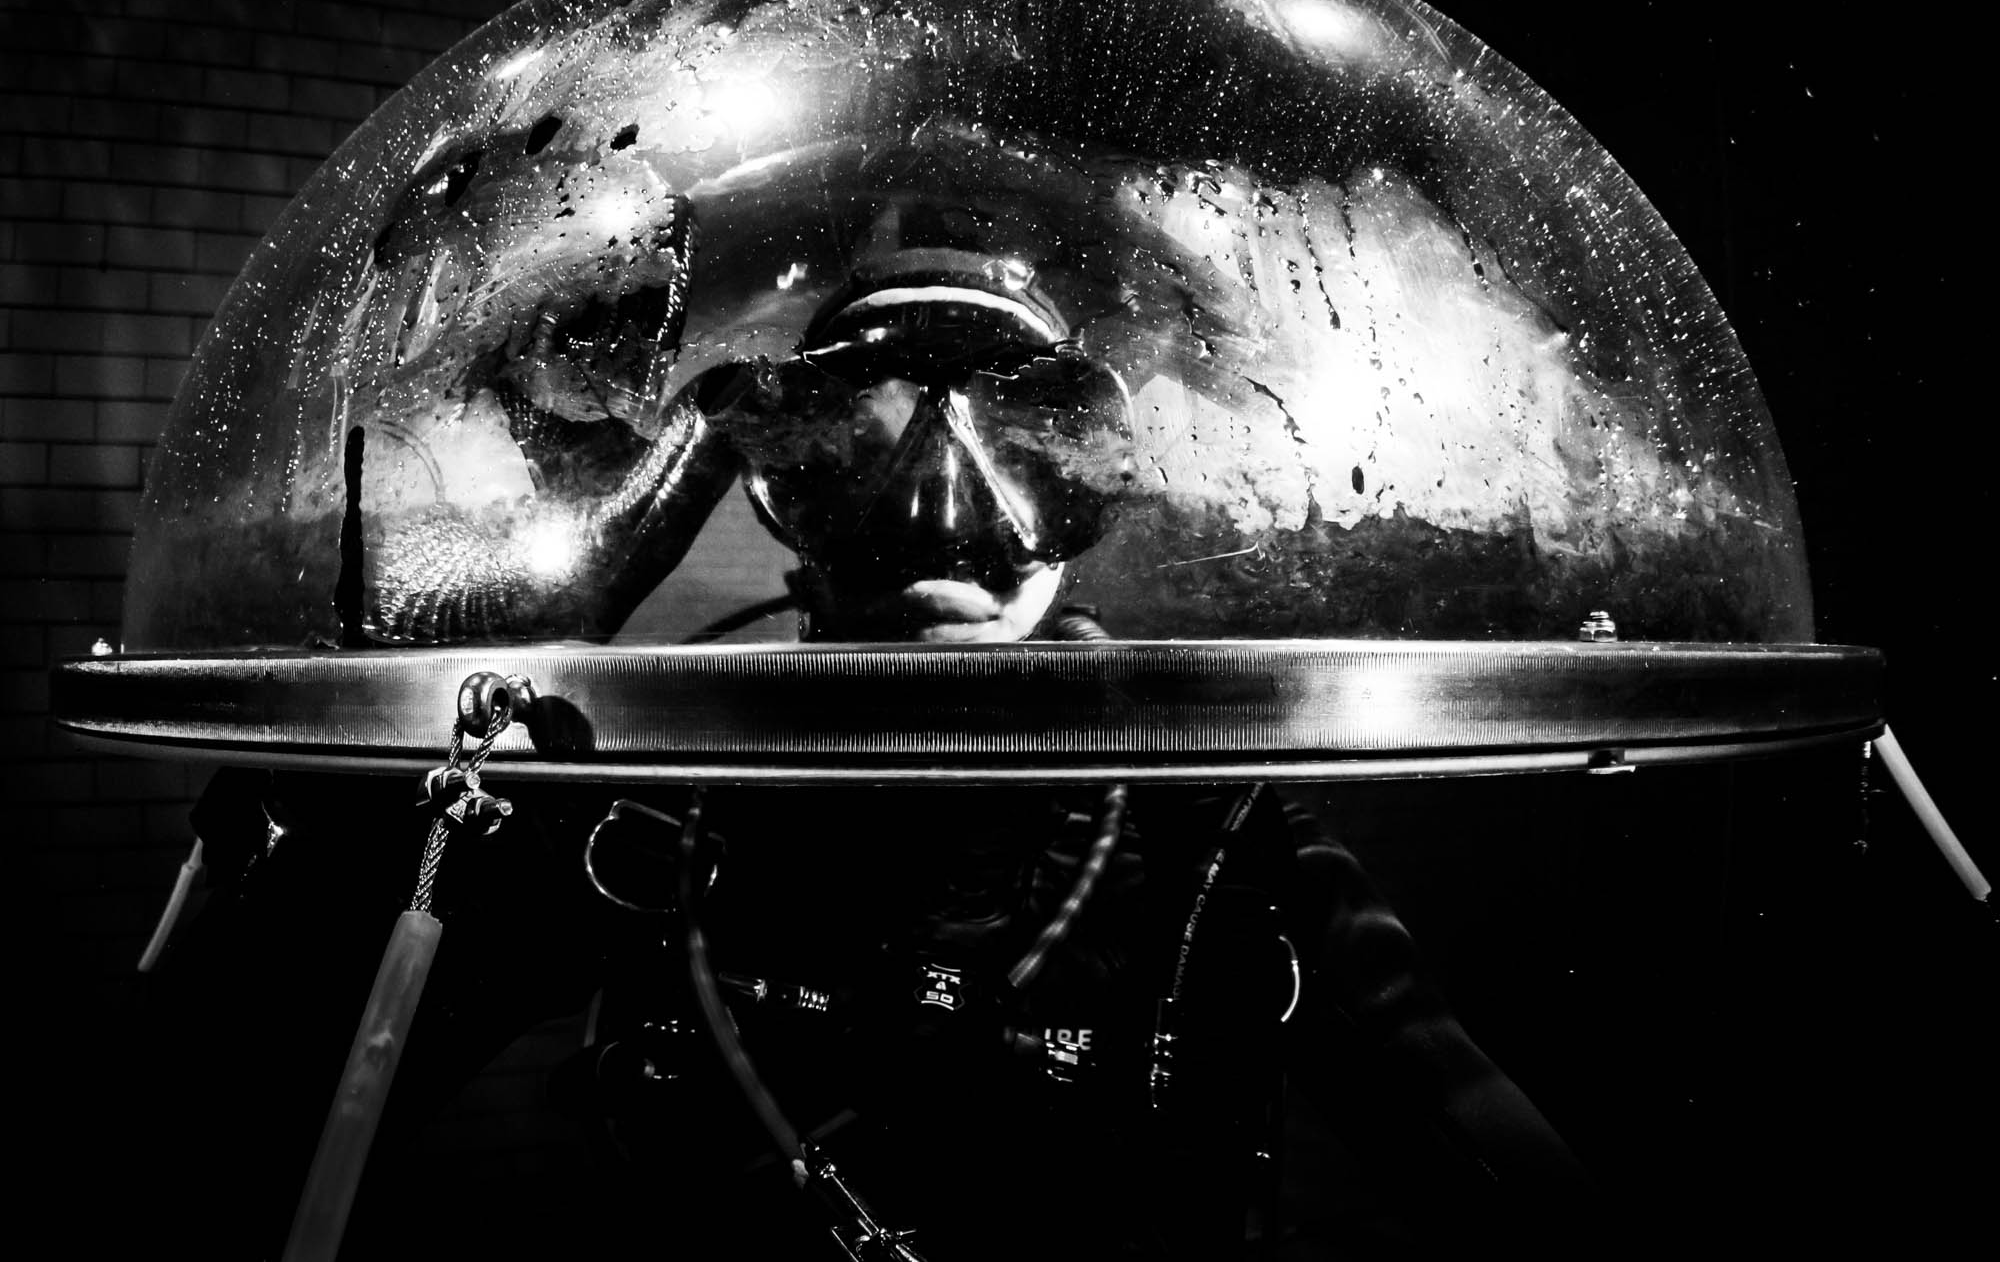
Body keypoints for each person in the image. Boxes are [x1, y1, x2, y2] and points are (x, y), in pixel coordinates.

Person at [137, 190, 1595, 1261]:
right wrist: (420, 711)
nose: (940, 516)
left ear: (1086, 486)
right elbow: (232, 1110)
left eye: (1018, 449)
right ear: (775, 482)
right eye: (858, 453)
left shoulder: (1205, 820)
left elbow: (1480, 1140)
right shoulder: (663, 810)